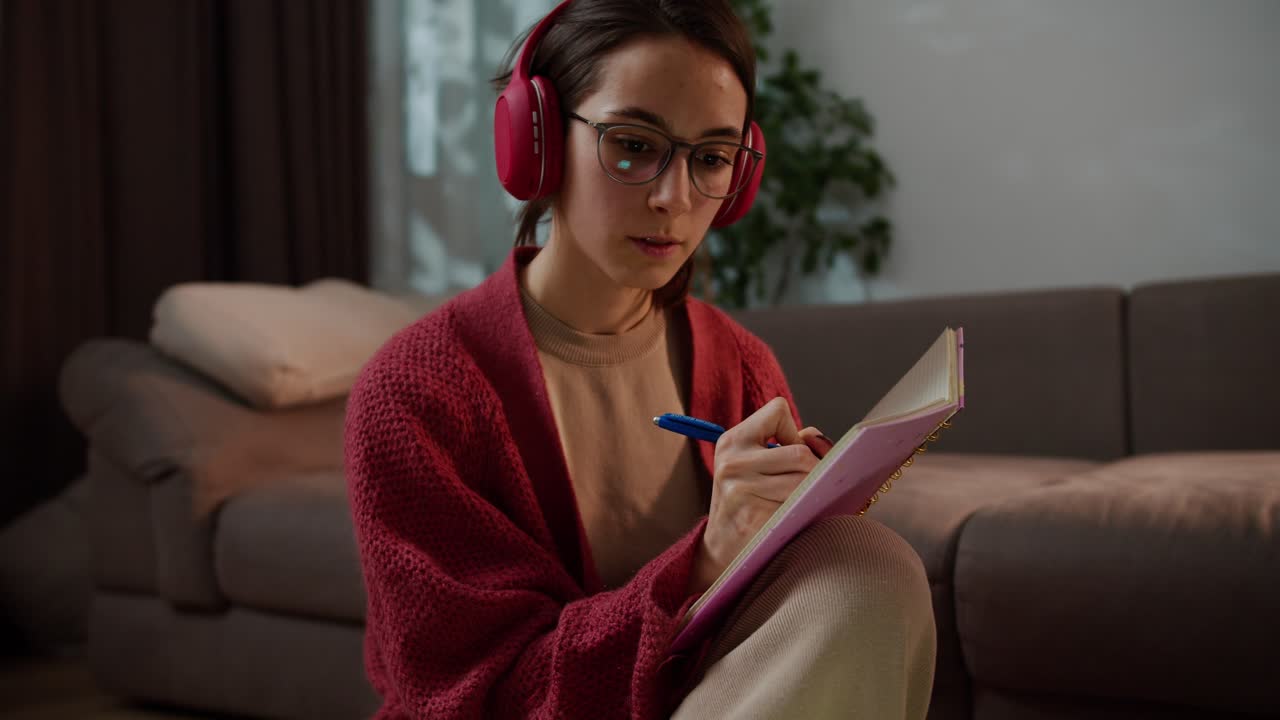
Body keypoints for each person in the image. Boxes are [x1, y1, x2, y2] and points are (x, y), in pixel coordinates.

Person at [343, 1, 936, 717]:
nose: (674, 198)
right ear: (537, 144)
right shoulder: (416, 394)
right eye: (632, 144)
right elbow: (482, 695)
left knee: (868, 565)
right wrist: (706, 559)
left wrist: (793, 534)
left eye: (712, 158)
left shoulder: (743, 369)